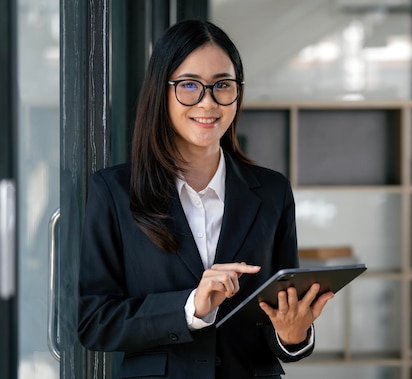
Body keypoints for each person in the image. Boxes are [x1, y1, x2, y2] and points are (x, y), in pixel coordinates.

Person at [77, 19, 334, 379]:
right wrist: (190, 307)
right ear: (161, 91)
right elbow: (94, 322)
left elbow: (280, 314)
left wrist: (293, 336)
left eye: (222, 86)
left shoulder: (272, 191)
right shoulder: (115, 191)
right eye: (189, 86)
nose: (208, 102)